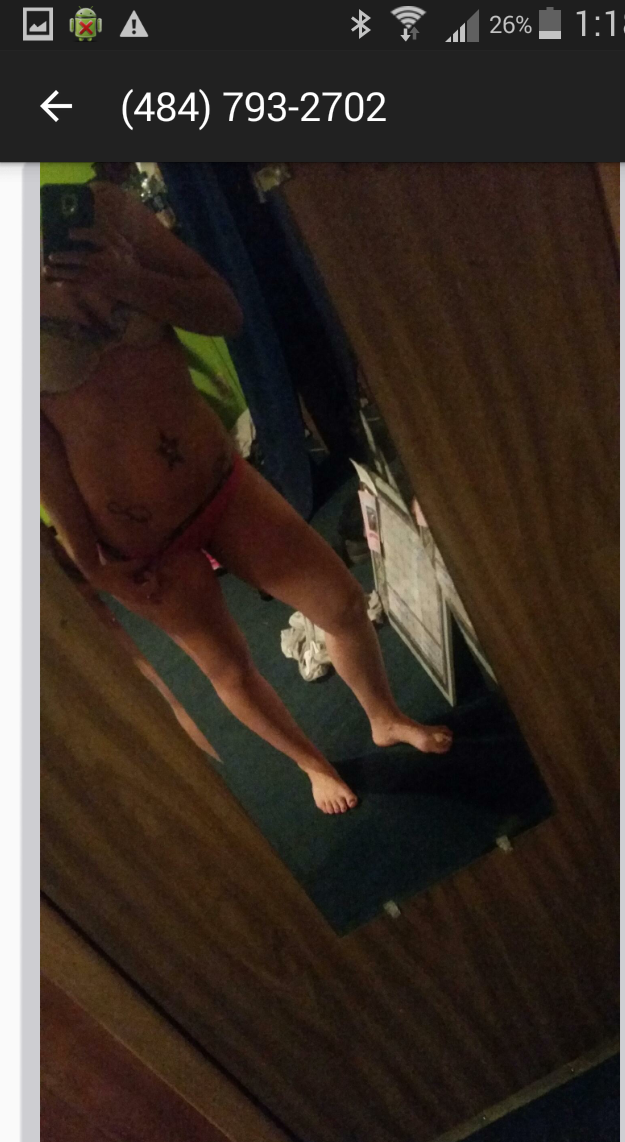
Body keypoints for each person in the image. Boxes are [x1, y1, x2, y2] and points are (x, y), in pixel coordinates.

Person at [40, 175, 452, 814]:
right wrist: (89, 561)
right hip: (138, 539)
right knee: (228, 668)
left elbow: (224, 312)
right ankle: (312, 766)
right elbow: (35, 451)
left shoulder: (110, 213)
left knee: (341, 603)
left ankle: (384, 717)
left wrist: (127, 280)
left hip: (220, 483)